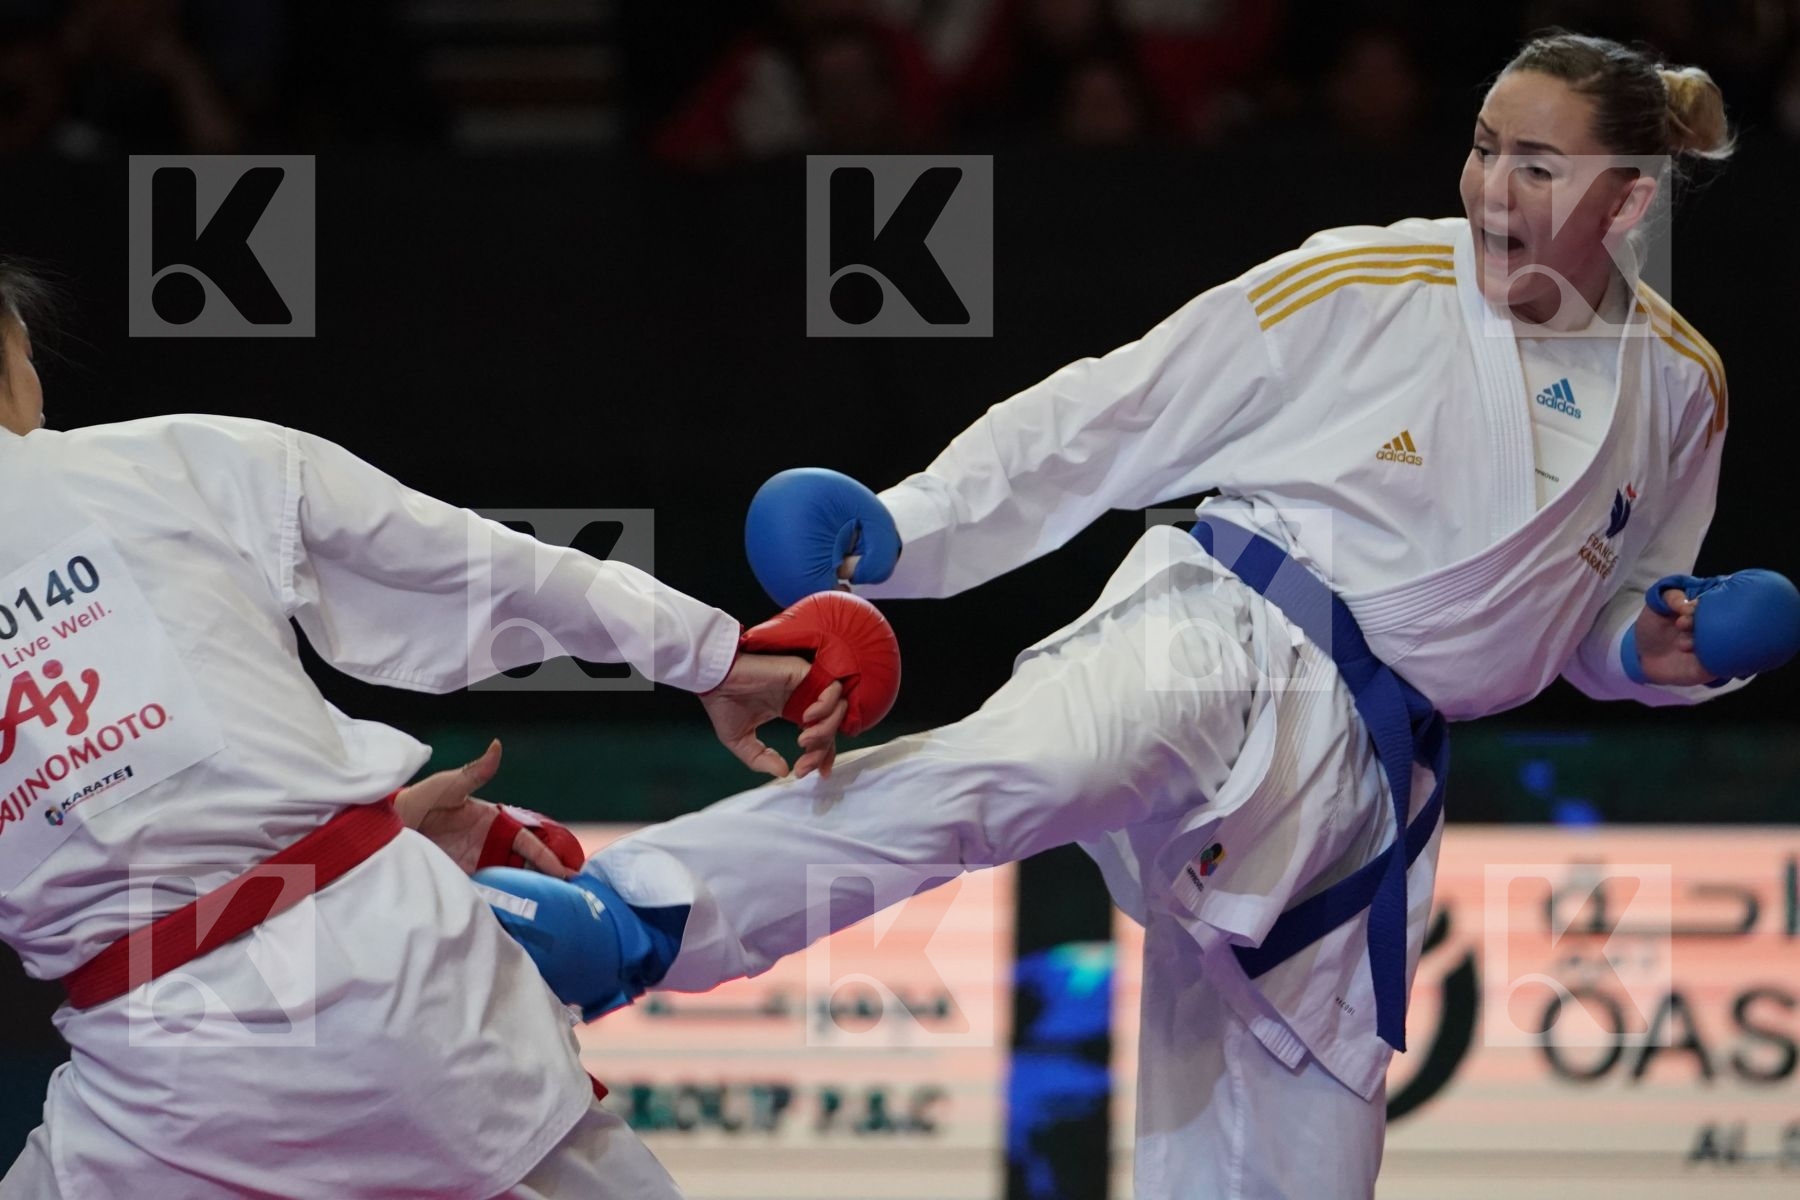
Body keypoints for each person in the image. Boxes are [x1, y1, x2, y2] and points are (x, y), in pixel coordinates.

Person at [479, 31, 1800, 1199]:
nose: (1488, 189)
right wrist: (910, 524)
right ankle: (630, 916)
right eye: (1481, 148)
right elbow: (1114, 413)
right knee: (1015, 771)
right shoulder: (1366, 283)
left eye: (1537, 166)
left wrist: (1657, 653)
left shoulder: (1684, 388)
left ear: (1630, 200)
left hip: (1364, 785)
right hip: (1226, 631)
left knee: (1312, 1141)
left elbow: (1582, 614)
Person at [0, 255, 882, 1199]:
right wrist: (709, 655)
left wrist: (326, 836)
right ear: (10, 351)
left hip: (158, 1085)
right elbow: (482, 566)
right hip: (398, 995)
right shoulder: (175, 463)